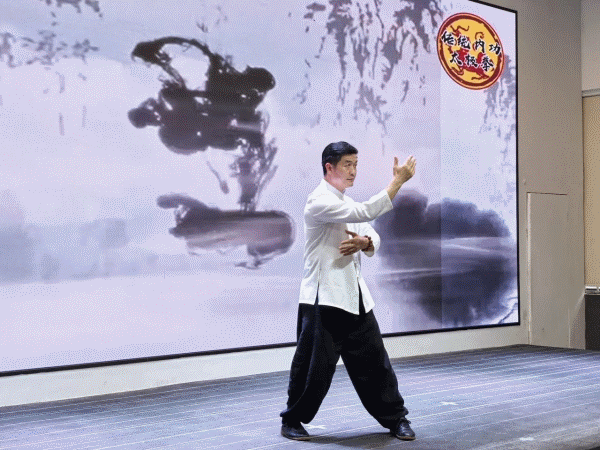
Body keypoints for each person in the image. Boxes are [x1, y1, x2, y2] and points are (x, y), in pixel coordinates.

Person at [280, 141, 417, 441]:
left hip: (355, 298)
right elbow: (365, 211)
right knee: (314, 367)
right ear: (329, 167)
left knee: (376, 363)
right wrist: (397, 181)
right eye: (347, 164)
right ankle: (292, 419)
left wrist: (364, 243)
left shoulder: (344, 202)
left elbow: (371, 233)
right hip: (324, 299)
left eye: (355, 164)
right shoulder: (318, 201)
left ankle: (396, 418)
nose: (353, 171)